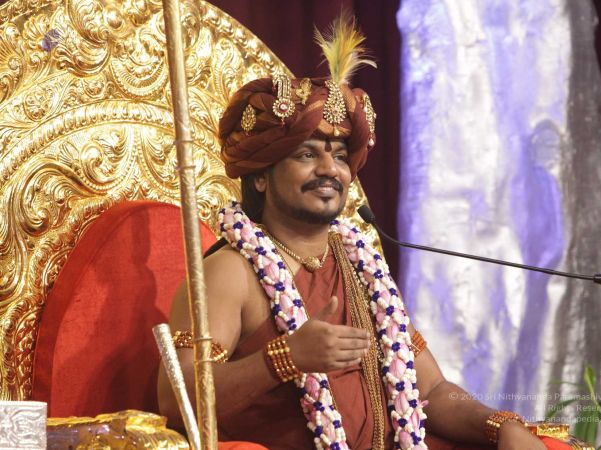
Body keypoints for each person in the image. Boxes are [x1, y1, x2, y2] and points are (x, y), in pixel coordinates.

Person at [158, 15, 572, 450]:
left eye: (340, 155)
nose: (329, 169)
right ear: (260, 176)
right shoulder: (230, 272)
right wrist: (285, 358)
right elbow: (175, 399)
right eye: (306, 154)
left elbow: (431, 391)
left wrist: (499, 425)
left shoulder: (363, 267)